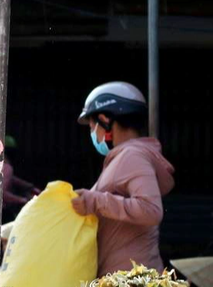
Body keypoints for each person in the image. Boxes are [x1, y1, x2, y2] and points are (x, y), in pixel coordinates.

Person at [70, 81, 175, 276]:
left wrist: (95, 201)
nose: (92, 132)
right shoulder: (121, 159)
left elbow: (151, 210)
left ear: (105, 120)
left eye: (92, 125)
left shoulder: (133, 156)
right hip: (119, 284)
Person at [1, 136, 41, 222]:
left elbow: (10, 178)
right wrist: (23, 200)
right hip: (1, 211)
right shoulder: (7, 167)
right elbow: (1, 193)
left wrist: (29, 186)